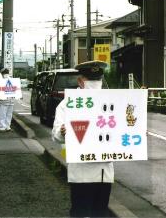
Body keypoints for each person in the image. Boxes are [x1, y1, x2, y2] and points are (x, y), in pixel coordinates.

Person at [52, 60, 113, 218]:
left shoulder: (113, 101)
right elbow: (56, 135)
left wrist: (138, 132)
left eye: (97, 81)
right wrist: (62, 132)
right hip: (80, 172)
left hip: (104, 171)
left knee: (101, 213)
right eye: (90, 81)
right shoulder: (68, 104)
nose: (95, 85)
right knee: (80, 212)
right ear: (80, 81)